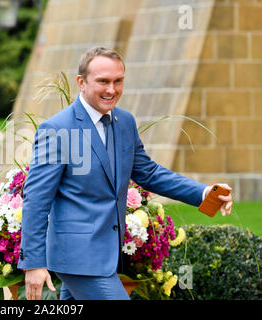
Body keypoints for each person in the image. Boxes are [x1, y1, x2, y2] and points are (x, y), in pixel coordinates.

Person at [17, 47, 233, 300]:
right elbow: (36, 198)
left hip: (105, 255)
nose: (112, 90)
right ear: (81, 82)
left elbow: (149, 173)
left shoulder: (125, 122)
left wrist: (204, 192)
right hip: (78, 259)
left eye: (118, 81)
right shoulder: (56, 129)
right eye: (103, 81)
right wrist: (32, 262)